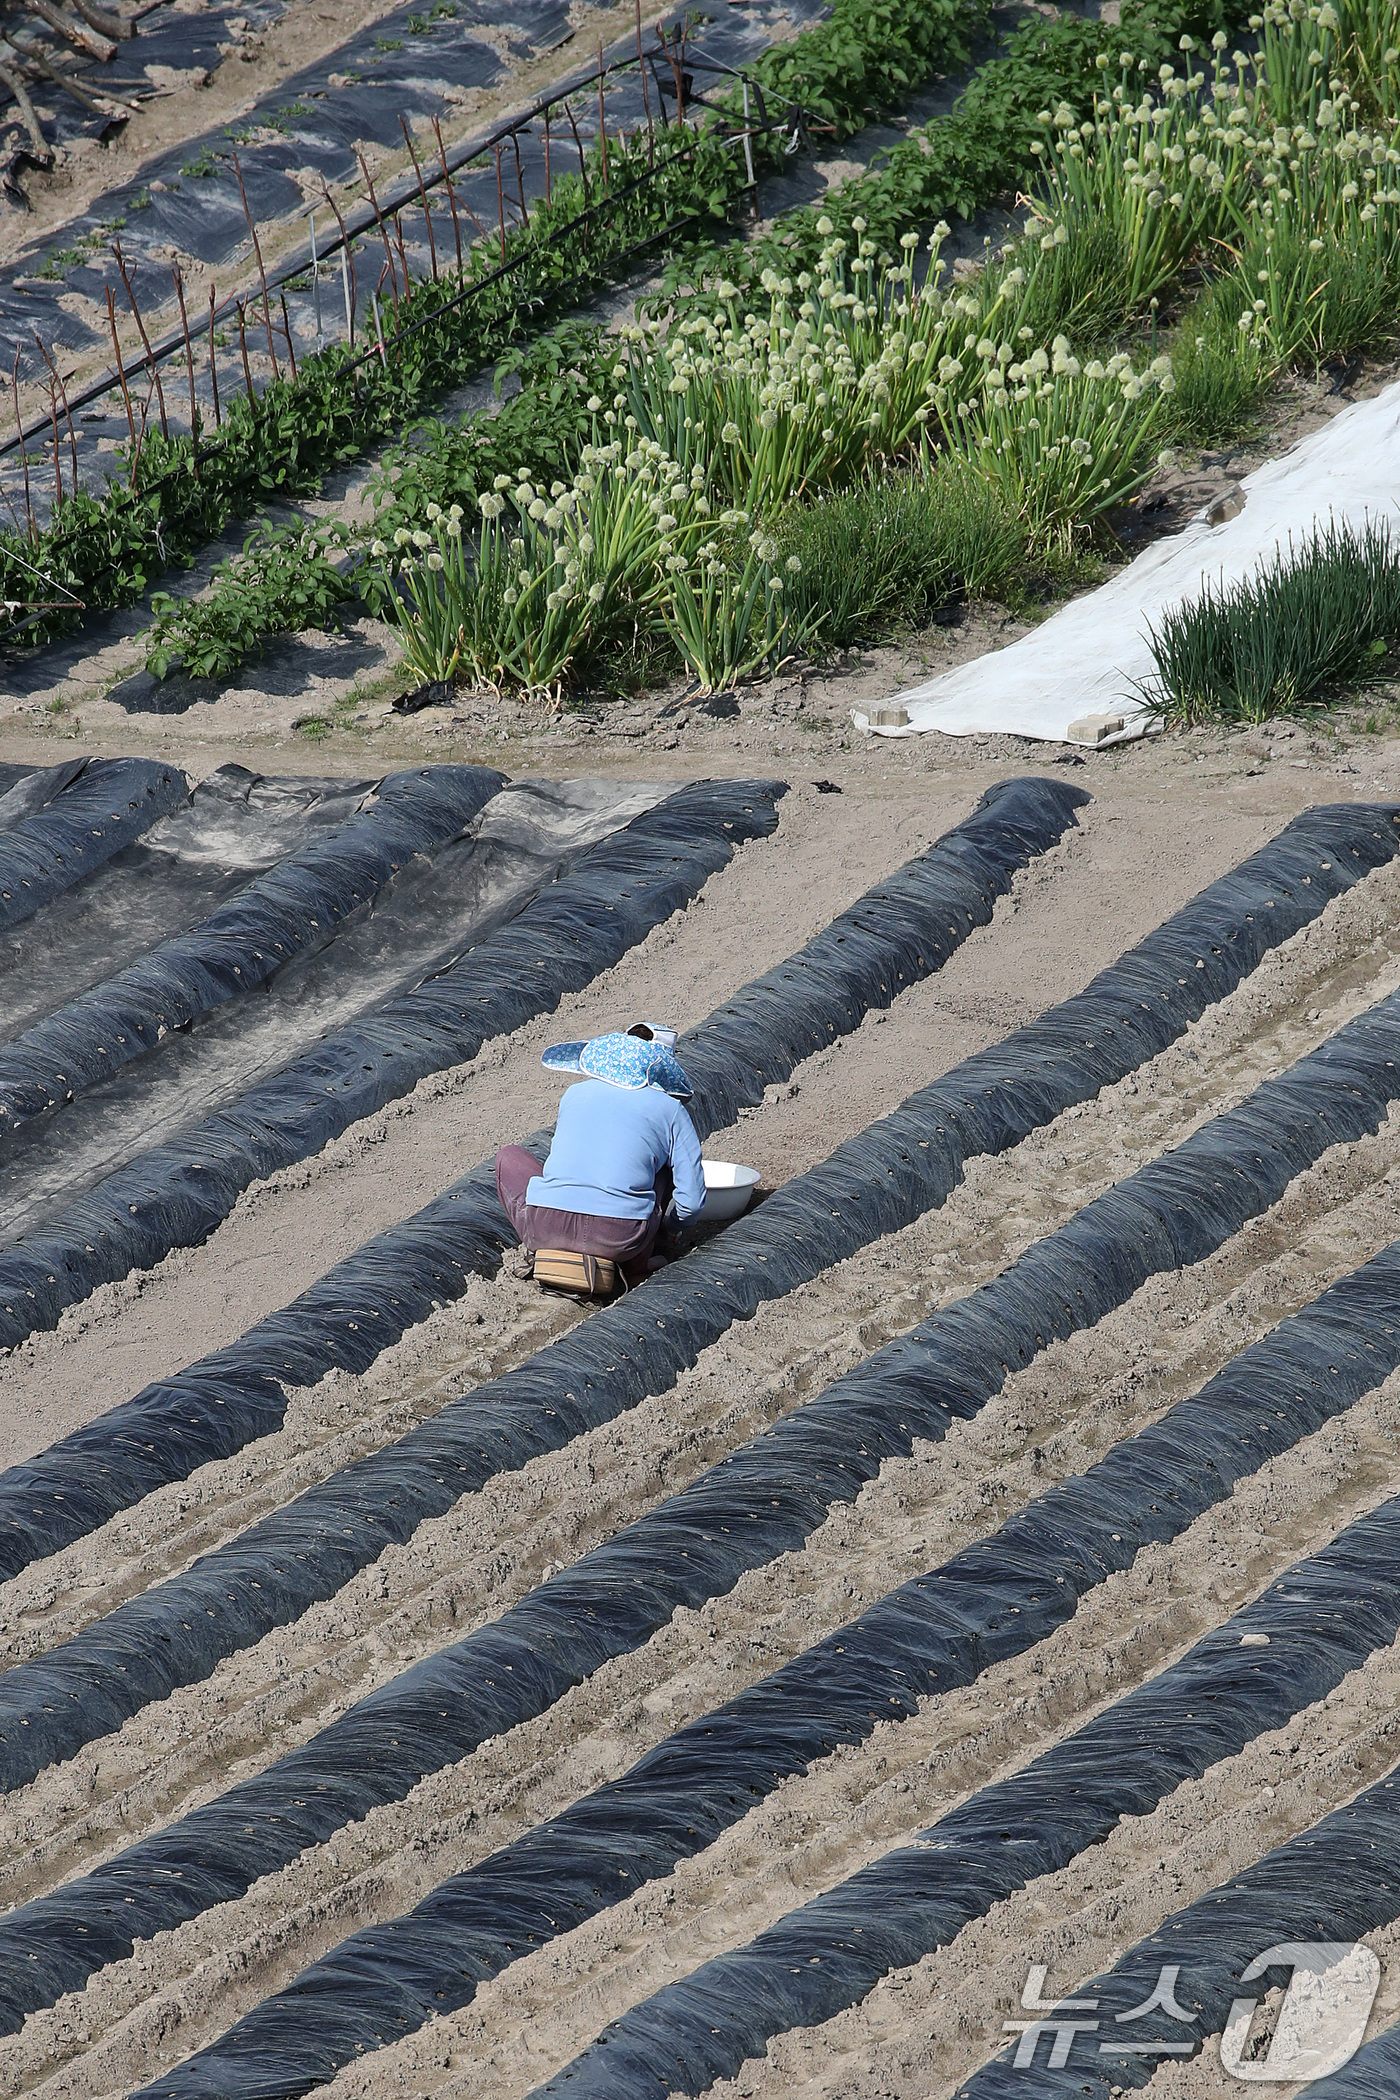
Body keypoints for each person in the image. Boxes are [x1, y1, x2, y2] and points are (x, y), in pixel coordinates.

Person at [495, 1024, 706, 1287]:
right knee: (663, 1167)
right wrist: (670, 1227)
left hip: (545, 1226)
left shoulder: (574, 1094)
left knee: (509, 1156)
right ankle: (637, 1265)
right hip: (620, 1237)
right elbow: (693, 1203)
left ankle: (544, 1249)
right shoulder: (670, 1108)